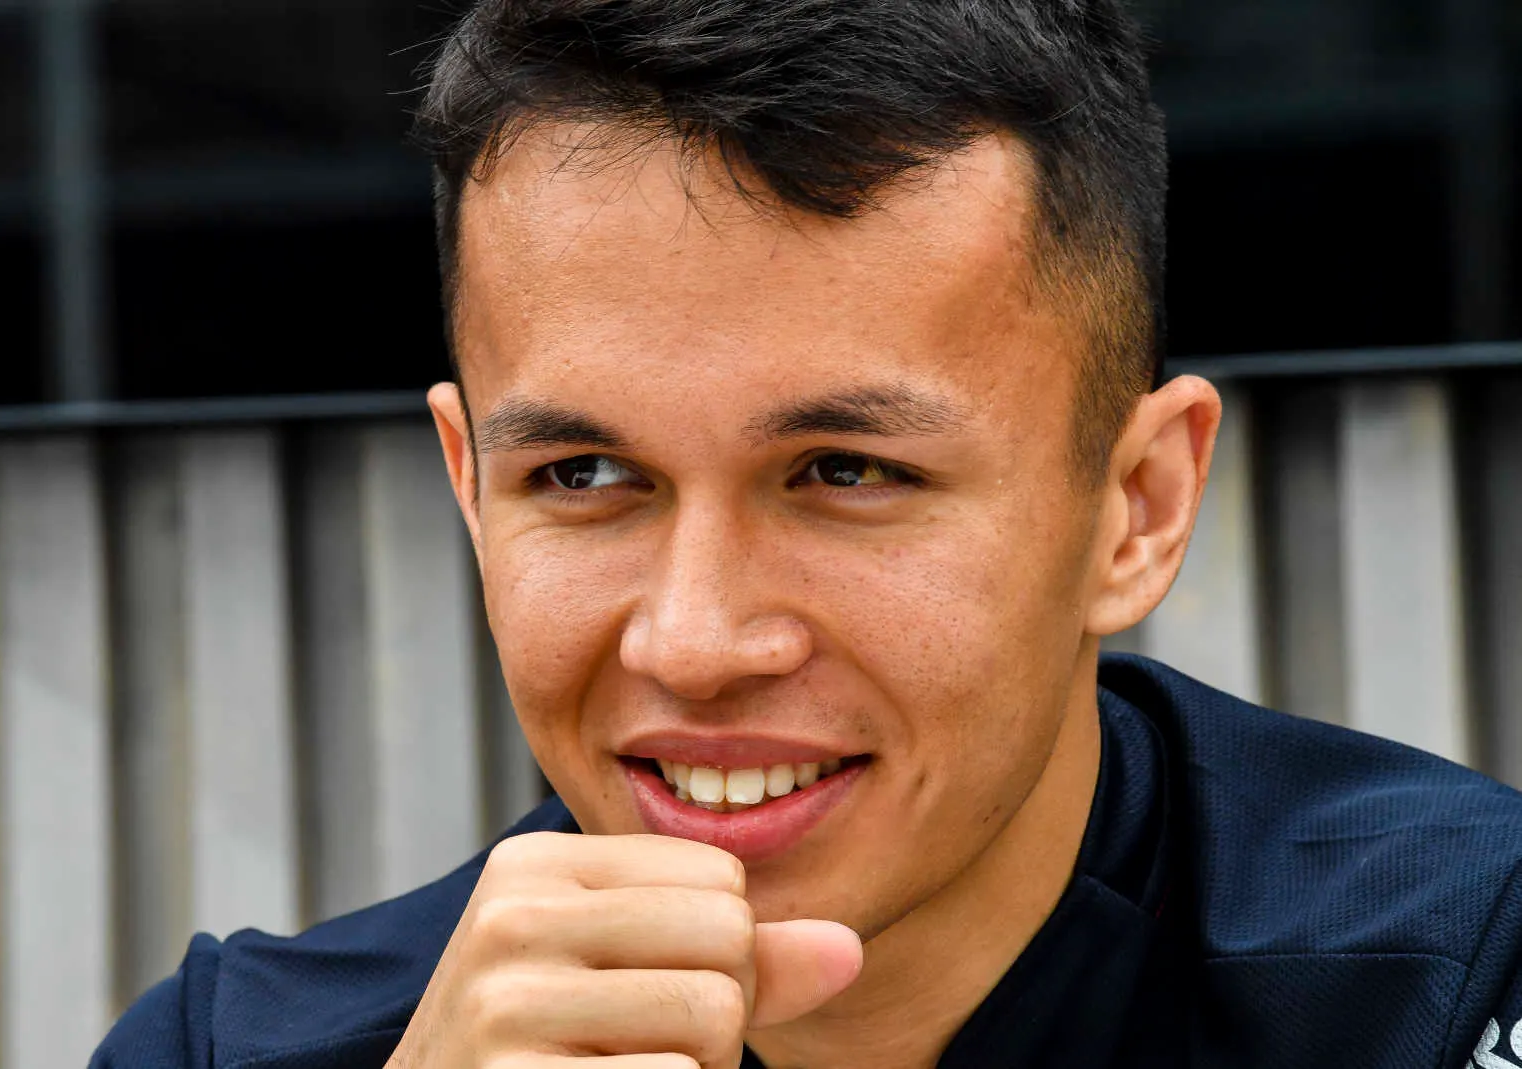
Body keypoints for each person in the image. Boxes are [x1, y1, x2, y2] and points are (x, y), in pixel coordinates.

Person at [93, 2, 1522, 1066]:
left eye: (845, 472)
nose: (697, 643)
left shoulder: (1453, 973)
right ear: (470, 489)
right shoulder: (244, 1049)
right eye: (586, 477)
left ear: (1134, 509)